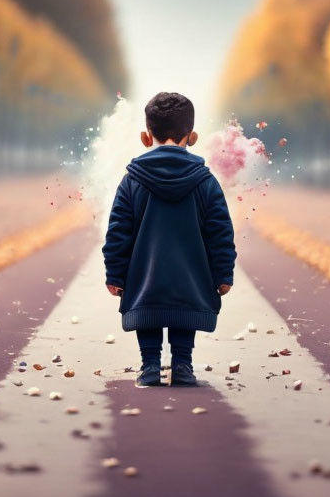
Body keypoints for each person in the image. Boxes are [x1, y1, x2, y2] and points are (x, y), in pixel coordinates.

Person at [102, 92, 237, 387]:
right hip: (191, 272)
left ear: (146, 136)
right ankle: (183, 366)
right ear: (192, 136)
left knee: (148, 308)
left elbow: (118, 232)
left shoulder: (132, 180)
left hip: (143, 271)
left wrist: (115, 273)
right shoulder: (205, 181)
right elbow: (220, 232)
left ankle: (150, 366)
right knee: (183, 309)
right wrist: (223, 273)